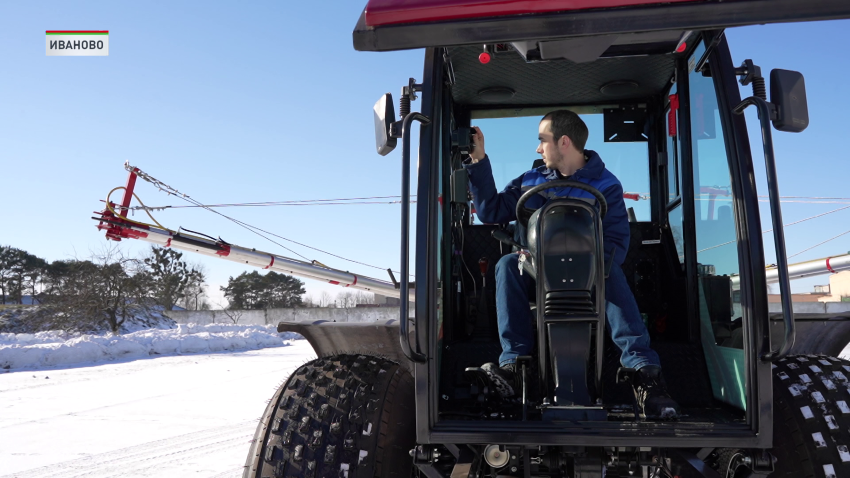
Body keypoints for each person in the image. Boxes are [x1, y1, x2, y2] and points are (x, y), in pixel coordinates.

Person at [462, 110, 679, 418]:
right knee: (508, 265)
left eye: (542, 141)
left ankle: (644, 372)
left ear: (563, 142)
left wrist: (586, 263)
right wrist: (479, 160)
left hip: (588, 274)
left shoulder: (605, 185)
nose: (538, 149)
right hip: (537, 271)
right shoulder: (531, 180)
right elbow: (490, 210)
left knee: (610, 268)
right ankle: (512, 367)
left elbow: (616, 241)